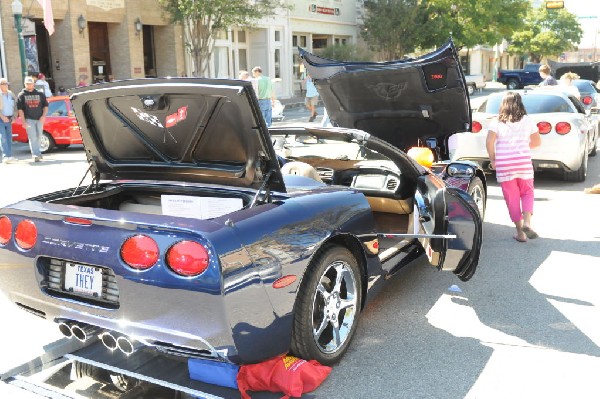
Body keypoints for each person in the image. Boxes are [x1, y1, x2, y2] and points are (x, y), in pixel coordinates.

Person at [486, 92, 542, 243]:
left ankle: (520, 233)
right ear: (520, 103)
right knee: (527, 193)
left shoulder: (496, 121)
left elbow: (490, 141)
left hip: (505, 165)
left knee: (512, 198)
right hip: (523, 163)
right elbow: (537, 143)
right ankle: (528, 223)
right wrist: (523, 146)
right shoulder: (528, 120)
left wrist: (493, 159)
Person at [17, 76, 48, 162]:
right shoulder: (21, 95)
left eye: (31, 83)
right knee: (32, 137)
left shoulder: (40, 94)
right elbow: (20, 110)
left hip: (39, 119)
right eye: (27, 84)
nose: (29, 85)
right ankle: (35, 154)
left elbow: (45, 106)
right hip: (29, 119)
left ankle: (38, 152)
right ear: (25, 84)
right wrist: (23, 121)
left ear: (33, 84)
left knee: (39, 136)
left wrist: (43, 116)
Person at [0, 78, 18, 164]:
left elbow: (15, 106)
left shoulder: (11, 94)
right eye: (4, 84)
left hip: (10, 118)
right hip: (1, 119)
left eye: (6, 84)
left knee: (9, 138)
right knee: (2, 138)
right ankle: (5, 156)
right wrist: (2, 116)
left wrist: (14, 117)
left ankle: (10, 155)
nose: (6, 85)